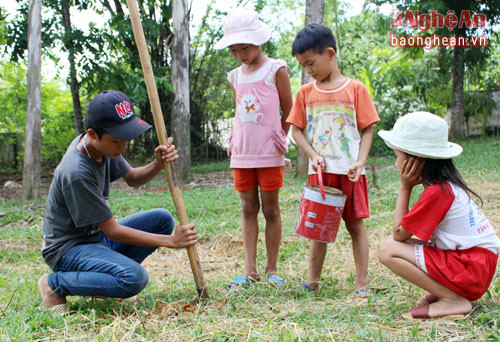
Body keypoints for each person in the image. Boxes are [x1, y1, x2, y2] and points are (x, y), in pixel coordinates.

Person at [39, 90, 197, 312]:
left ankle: (103, 283)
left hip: (95, 238)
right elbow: (112, 231)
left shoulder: (104, 148)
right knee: (134, 278)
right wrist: (171, 241)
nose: (122, 147)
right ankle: (54, 284)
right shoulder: (77, 172)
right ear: (93, 134)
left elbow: (132, 178)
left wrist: (158, 164)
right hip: (68, 249)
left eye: (126, 139)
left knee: (161, 219)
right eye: (116, 141)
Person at [378, 111, 500, 320]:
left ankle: (452, 300)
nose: (395, 162)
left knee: (388, 249)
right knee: (406, 246)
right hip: (476, 266)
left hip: (471, 270)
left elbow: (399, 234)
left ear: (413, 161)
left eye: (397, 156)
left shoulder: (438, 193)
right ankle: (447, 292)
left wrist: (405, 187)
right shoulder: (447, 187)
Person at [286, 24, 380, 293]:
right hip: (321, 175)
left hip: (350, 172)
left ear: (330, 53)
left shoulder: (356, 89)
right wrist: (313, 155)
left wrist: (360, 162)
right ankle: (312, 282)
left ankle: (362, 284)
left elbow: (367, 129)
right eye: (303, 66)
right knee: (318, 230)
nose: (308, 70)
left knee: (356, 226)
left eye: (311, 63)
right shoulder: (305, 93)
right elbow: (296, 130)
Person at [214, 6, 293, 289]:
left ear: (258, 40)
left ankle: (272, 269)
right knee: (248, 207)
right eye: (234, 50)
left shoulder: (276, 68)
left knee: (271, 209)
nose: (240, 55)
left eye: (244, 48)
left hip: (270, 152)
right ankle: (250, 270)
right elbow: (240, 112)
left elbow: (289, 108)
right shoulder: (235, 76)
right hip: (242, 152)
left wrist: (280, 137)